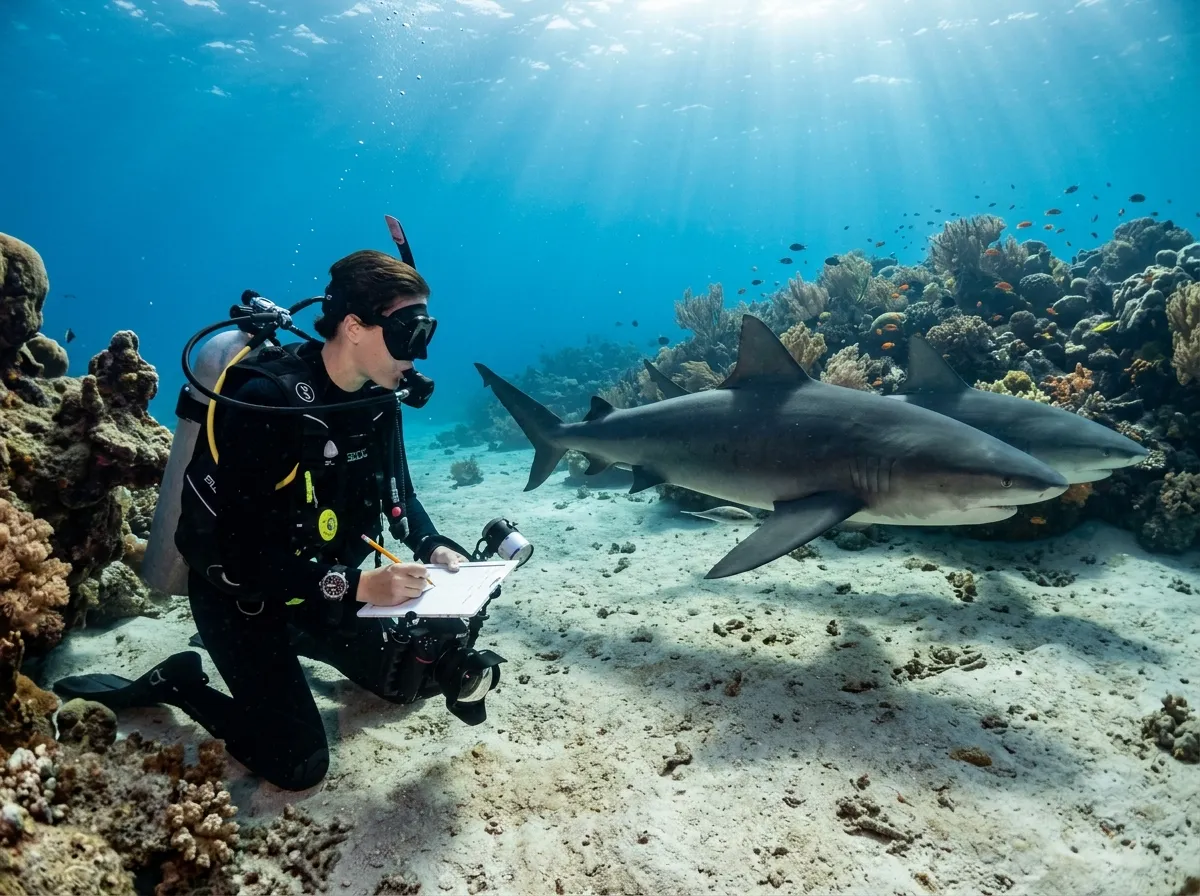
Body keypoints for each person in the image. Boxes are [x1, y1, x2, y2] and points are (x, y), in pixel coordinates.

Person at [55, 249, 473, 791]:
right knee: (298, 763)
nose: (419, 356)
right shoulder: (265, 401)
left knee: (405, 683)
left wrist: (434, 544)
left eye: (426, 335)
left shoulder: (377, 401)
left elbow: (398, 496)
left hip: (322, 589)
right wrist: (362, 584)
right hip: (239, 597)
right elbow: (238, 554)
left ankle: (297, 637)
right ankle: (180, 683)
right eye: (410, 334)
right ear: (353, 326)